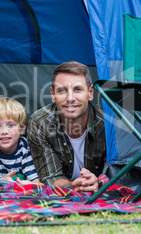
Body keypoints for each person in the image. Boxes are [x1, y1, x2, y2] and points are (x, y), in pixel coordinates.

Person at [27, 61, 106, 192]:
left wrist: (99, 182)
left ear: (90, 93)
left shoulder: (107, 123)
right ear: (53, 95)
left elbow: (117, 173)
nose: (70, 98)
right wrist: (73, 185)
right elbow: (51, 177)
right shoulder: (40, 123)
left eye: (78, 89)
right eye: (62, 90)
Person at [0, 97, 41, 184]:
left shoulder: (24, 145)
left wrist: (29, 184)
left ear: (22, 128)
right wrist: (3, 182)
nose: (4, 131)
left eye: (10, 125)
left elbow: (36, 182)